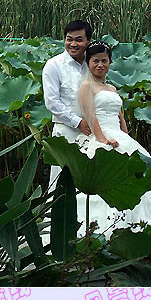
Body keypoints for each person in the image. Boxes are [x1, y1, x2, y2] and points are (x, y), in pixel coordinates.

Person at [74, 41, 151, 239]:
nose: (100, 65)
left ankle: (140, 227)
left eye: (104, 61)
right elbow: (91, 116)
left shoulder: (111, 88)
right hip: (101, 136)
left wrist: (126, 134)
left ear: (110, 62)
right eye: (95, 61)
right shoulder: (86, 86)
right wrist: (103, 140)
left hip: (119, 136)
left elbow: (120, 116)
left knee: (138, 177)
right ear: (88, 62)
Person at [42, 20, 92, 193]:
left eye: (79, 40)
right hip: (66, 133)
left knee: (90, 182)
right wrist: (78, 122)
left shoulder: (93, 64)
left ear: (88, 42)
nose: (73, 44)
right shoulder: (53, 65)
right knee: (64, 184)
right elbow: (52, 102)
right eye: (69, 39)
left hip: (93, 133)